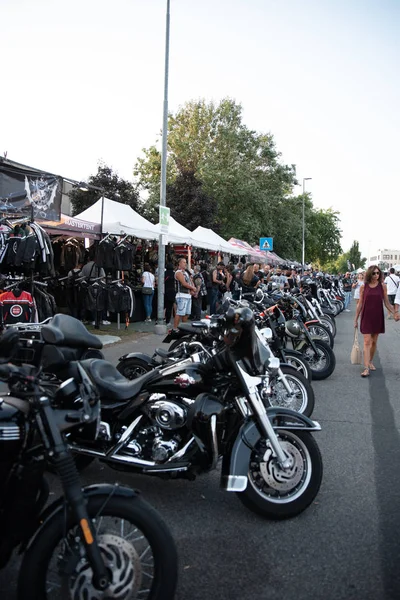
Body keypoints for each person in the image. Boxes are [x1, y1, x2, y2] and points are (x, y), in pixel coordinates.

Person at [354, 265, 395, 377]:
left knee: (374, 342)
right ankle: (366, 368)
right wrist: (355, 319)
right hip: (366, 316)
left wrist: (395, 312)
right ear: (369, 274)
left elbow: (386, 302)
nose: (376, 275)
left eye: (378, 273)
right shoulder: (364, 287)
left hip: (377, 317)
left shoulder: (383, 286)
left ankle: (370, 361)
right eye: (374, 273)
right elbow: (360, 303)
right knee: (367, 341)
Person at [173, 258, 196, 329]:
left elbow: (190, 281)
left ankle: (183, 328)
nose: (185, 263)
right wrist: (192, 288)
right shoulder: (178, 272)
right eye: (183, 262)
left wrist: (193, 288)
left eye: (185, 262)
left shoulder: (186, 272)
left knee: (186, 314)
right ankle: (175, 328)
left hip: (188, 295)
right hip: (181, 295)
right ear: (179, 263)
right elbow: (184, 283)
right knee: (179, 312)